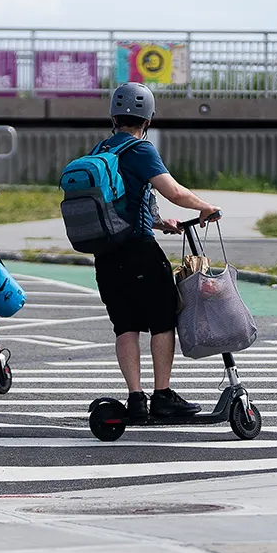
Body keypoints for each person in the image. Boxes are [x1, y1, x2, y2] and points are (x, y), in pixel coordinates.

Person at [93, 82, 222, 419]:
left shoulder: (99, 151)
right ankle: (162, 396)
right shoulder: (140, 150)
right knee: (163, 320)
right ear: (147, 119)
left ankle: (135, 400)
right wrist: (204, 206)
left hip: (105, 254)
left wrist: (161, 223)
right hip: (139, 252)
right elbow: (173, 190)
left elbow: (118, 206)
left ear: (114, 116)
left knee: (125, 326)